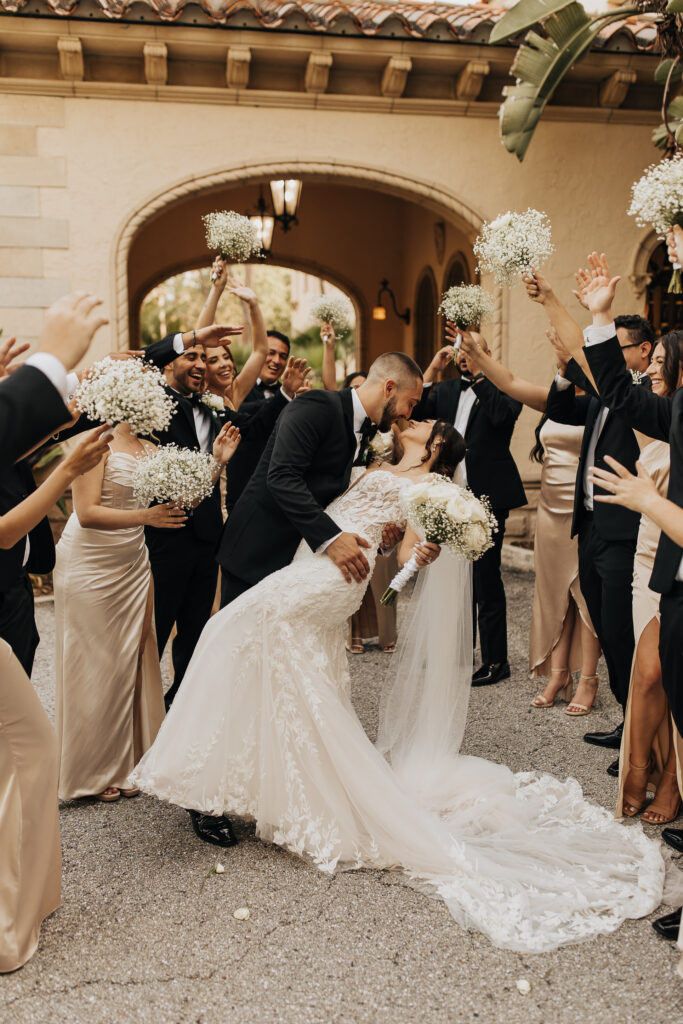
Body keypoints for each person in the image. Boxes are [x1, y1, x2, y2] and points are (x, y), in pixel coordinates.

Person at [132, 416, 683, 954]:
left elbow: (407, 547)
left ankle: (225, 779)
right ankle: (268, 782)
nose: (413, 419)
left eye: (424, 421)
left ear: (436, 444)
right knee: (291, 674)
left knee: (232, 627)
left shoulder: (427, 486)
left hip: (330, 577)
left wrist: (418, 554)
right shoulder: (379, 462)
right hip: (312, 563)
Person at [54, 418, 241, 802]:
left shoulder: (151, 447)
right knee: (94, 662)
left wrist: (218, 462)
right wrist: (145, 517)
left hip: (132, 562)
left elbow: (186, 498)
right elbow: (87, 512)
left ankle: (130, 758)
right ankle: (91, 768)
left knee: (131, 657)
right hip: (91, 560)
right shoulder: (94, 442)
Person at [457, 330, 600, 713]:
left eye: (568, 356)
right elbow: (511, 383)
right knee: (553, 590)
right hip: (550, 510)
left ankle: (588, 678)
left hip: (584, 508)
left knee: (584, 592)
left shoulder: (605, 404)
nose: (561, 360)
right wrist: (474, 355)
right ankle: (558, 673)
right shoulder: (557, 401)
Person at [545, 269, 653, 761]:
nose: (606, 358)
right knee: (608, 631)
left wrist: (572, 308)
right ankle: (630, 722)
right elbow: (557, 407)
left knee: (622, 632)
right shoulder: (600, 401)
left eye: (617, 347)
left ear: (644, 353)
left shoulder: (648, 406)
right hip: (589, 527)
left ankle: (641, 735)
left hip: (625, 533)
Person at [414, 331, 526, 686]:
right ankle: (458, 651)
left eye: (473, 350)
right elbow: (413, 410)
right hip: (448, 495)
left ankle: (496, 661)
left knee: (485, 578)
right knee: (451, 575)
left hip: (488, 496)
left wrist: (481, 375)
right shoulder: (446, 391)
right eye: (461, 351)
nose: (465, 356)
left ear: (487, 353)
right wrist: (432, 367)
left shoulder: (505, 388)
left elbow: (501, 419)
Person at [320, 323, 396, 653]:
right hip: (346, 494)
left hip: (376, 496)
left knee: (379, 567)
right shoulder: (338, 420)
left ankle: (386, 632)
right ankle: (351, 632)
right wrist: (329, 345)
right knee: (350, 563)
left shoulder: (386, 429)